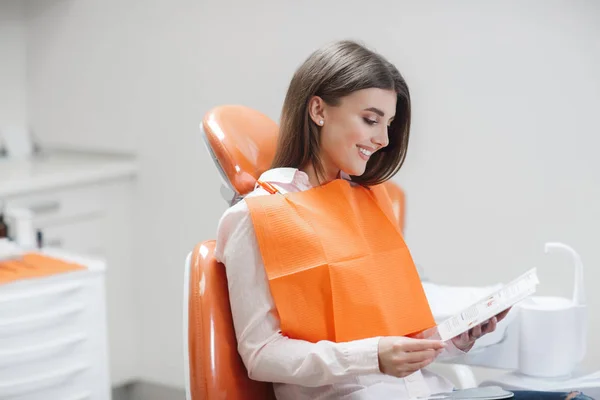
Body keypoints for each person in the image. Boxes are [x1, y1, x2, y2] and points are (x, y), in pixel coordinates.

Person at [215, 40, 592, 400]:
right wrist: (371, 356)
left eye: (388, 124)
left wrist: (452, 338)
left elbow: (391, 331)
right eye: (370, 120)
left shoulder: (370, 201)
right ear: (318, 110)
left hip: (429, 390)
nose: (382, 138)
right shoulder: (257, 217)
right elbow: (261, 354)